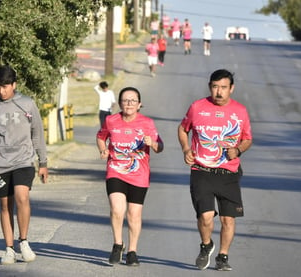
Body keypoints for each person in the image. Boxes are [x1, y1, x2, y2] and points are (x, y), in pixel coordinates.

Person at [177, 69, 252, 271]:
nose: (219, 92)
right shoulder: (197, 107)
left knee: (228, 218)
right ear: (210, 86)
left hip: (229, 172)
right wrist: (186, 149)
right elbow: (183, 129)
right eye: (215, 87)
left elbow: (247, 139)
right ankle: (206, 245)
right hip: (202, 170)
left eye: (223, 88)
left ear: (231, 88)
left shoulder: (240, 111)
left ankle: (223, 256)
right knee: (206, 216)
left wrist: (238, 150)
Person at [0, 65, 48, 265]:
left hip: (24, 160)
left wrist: (42, 161)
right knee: (5, 204)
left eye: (5, 86)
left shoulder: (26, 104)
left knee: (22, 196)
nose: (1, 91)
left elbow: (37, 132)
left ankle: (23, 241)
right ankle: (9, 249)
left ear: (14, 85)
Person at [96, 87, 164, 266]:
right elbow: (101, 136)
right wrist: (103, 149)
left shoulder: (147, 123)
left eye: (133, 101)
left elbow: (160, 146)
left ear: (139, 104)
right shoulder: (111, 120)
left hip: (139, 174)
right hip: (115, 170)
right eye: (125, 100)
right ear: (120, 103)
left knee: (134, 214)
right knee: (117, 210)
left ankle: (132, 251)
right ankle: (118, 244)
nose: (129, 104)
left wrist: (153, 143)